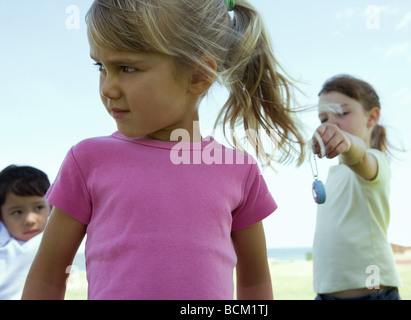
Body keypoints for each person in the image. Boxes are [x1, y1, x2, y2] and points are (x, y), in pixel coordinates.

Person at [22, 0, 306, 300]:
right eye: (101, 67)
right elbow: (49, 277)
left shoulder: (238, 170)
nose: (107, 87)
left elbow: (254, 284)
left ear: (198, 76)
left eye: (127, 67)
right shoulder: (87, 161)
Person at [312, 74, 402, 300]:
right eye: (323, 118)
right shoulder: (333, 174)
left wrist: (349, 143)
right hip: (326, 295)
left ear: (372, 118)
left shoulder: (374, 161)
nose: (330, 123)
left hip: (373, 293)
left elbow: (358, 155)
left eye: (342, 113)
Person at [0, 165, 51, 300]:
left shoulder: (53, 239)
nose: (30, 220)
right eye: (17, 212)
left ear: (51, 207)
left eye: (38, 207)